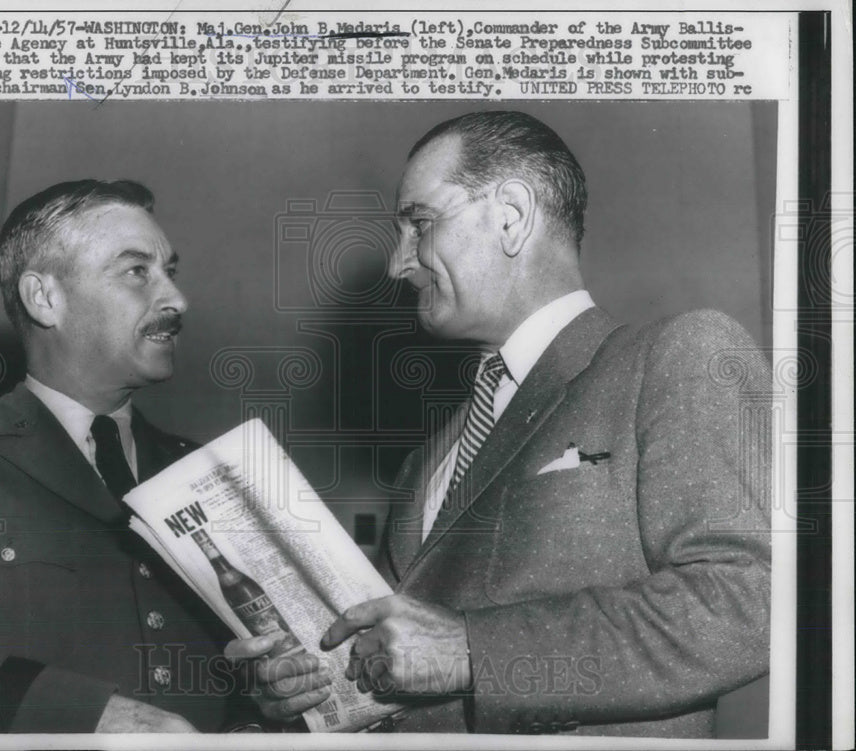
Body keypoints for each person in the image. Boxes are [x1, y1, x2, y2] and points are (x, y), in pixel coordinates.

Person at [229, 111, 772, 737]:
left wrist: (472, 652)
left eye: (420, 223)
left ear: (511, 215)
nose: (397, 264)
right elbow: (401, 666)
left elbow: (752, 599)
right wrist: (313, 687)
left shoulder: (676, 355)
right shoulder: (428, 459)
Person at [0, 180, 254, 733]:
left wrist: (265, 709)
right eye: (137, 272)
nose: (177, 300)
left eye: (169, 272)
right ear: (44, 298)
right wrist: (88, 717)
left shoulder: (208, 477)